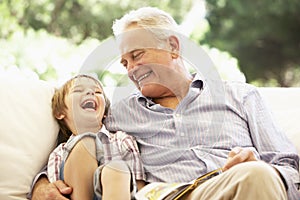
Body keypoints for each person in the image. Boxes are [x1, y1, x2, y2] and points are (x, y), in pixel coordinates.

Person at [31, 7, 300, 200]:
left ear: (173, 46)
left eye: (137, 56)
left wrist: (263, 168)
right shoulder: (119, 113)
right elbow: (77, 145)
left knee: (257, 176)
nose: (130, 69)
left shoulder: (240, 96)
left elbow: (291, 167)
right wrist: (41, 184)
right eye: (125, 63)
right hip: (171, 194)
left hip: (239, 186)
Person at [30, 74, 145, 200]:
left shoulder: (123, 140)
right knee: (85, 143)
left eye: (97, 92)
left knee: (116, 169)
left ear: (105, 113)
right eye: (78, 90)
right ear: (60, 112)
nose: (90, 92)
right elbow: (58, 191)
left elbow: (139, 189)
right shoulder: (58, 153)